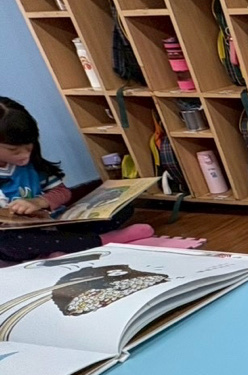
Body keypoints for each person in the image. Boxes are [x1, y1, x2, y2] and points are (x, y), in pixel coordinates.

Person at [0, 97, 153, 264]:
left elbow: (62, 192)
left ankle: (62, 247)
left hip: (52, 226)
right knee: (11, 242)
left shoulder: (31, 166)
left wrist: (40, 202)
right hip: (18, 237)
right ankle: (101, 240)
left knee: (121, 208)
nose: (25, 156)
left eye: (29, 148)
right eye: (14, 151)